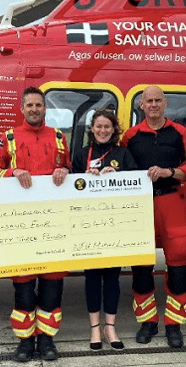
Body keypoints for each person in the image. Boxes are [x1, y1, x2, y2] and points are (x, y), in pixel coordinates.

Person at [0, 86, 71, 362]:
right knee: (23, 287)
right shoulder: (9, 138)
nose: (34, 109)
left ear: (45, 108)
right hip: (21, 225)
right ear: (22, 108)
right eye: (30, 105)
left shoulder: (59, 137)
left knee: (52, 285)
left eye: (39, 105)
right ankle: (25, 342)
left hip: (53, 224)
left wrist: (65, 171)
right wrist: (13, 171)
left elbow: (70, 171)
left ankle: (47, 340)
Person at [120, 85, 186, 348]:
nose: (153, 105)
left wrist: (169, 172)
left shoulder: (180, 132)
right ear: (141, 105)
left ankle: (174, 324)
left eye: (158, 100)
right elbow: (120, 165)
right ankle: (148, 321)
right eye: (148, 101)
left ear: (165, 104)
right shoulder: (130, 136)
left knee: (178, 262)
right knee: (141, 266)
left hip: (172, 200)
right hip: (140, 205)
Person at [71, 109, 137, 351]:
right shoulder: (81, 154)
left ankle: (110, 327)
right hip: (88, 225)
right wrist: (85, 178)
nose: (102, 130)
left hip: (115, 225)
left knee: (111, 277)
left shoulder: (123, 153)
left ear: (113, 129)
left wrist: (117, 174)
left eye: (107, 126)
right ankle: (94, 329)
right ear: (92, 128)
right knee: (91, 276)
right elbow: (71, 187)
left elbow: (137, 184)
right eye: (98, 126)